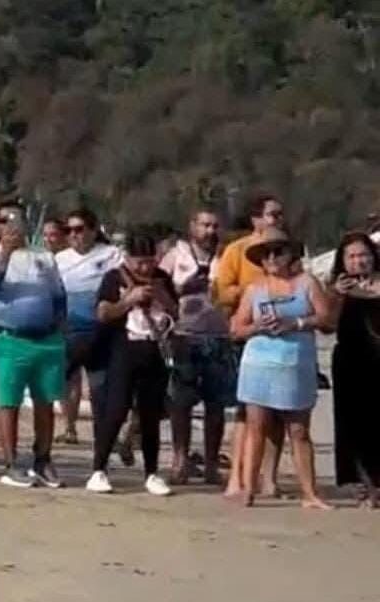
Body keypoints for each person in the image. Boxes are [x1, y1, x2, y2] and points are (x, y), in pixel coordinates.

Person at [231, 227, 332, 509]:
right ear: (261, 262)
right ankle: (249, 489)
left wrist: (296, 323)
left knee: (299, 430)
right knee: (256, 427)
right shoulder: (254, 289)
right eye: (266, 254)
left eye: (279, 251)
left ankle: (310, 493)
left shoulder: (307, 283)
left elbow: (326, 318)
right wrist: (256, 327)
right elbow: (236, 329)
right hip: (259, 365)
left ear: (291, 255)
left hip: (296, 364)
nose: (273, 258)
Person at [0, 204, 68, 489]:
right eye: (5, 221)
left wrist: (59, 326)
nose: (13, 225)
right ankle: (12, 463)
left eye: (17, 219)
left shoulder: (44, 256)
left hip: (47, 340)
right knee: (9, 402)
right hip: (11, 339)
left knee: (45, 402)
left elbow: (58, 294)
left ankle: (43, 459)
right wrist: (5, 251)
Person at [86, 231, 177, 496]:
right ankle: (99, 469)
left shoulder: (162, 279)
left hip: (155, 349)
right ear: (127, 259)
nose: (145, 267)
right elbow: (103, 313)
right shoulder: (114, 278)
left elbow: (176, 312)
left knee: (150, 415)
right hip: (124, 349)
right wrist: (128, 300)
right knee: (115, 410)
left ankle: (152, 473)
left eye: (149, 261)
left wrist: (162, 297)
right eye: (139, 262)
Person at [215, 194, 286, 498]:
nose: (277, 220)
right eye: (271, 214)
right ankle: (238, 477)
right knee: (247, 412)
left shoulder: (289, 251)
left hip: (285, 339)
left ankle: (269, 478)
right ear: (256, 219)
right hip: (248, 338)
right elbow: (221, 291)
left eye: (280, 215)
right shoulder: (237, 250)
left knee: (280, 413)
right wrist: (255, 291)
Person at [160, 209, 235, 485]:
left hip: (219, 335)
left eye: (215, 225)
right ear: (192, 226)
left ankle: (212, 464)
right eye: (205, 225)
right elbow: (158, 288)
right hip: (183, 334)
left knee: (216, 404)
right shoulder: (175, 255)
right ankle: (180, 459)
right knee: (180, 403)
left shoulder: (227, 255)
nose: (210, 231)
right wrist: (183, 290)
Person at [55, 208, 123, 445]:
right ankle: (69, 427)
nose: (74, 234)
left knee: (100, 384)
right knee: (68, 380)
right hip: (69, 328)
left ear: (93, 231)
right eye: (69, 230)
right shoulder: (60, 259)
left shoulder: (111, 254)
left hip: (101, 329)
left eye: (79, 229)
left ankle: (102, 432)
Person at [328, 232, 380, 508]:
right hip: (351, 360)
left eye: (364, 255)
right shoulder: (337, 289)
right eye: (352, 256)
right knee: (353, 424)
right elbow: (325, 323)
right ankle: (363, 484)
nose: (359, 261)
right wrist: (337, 295)